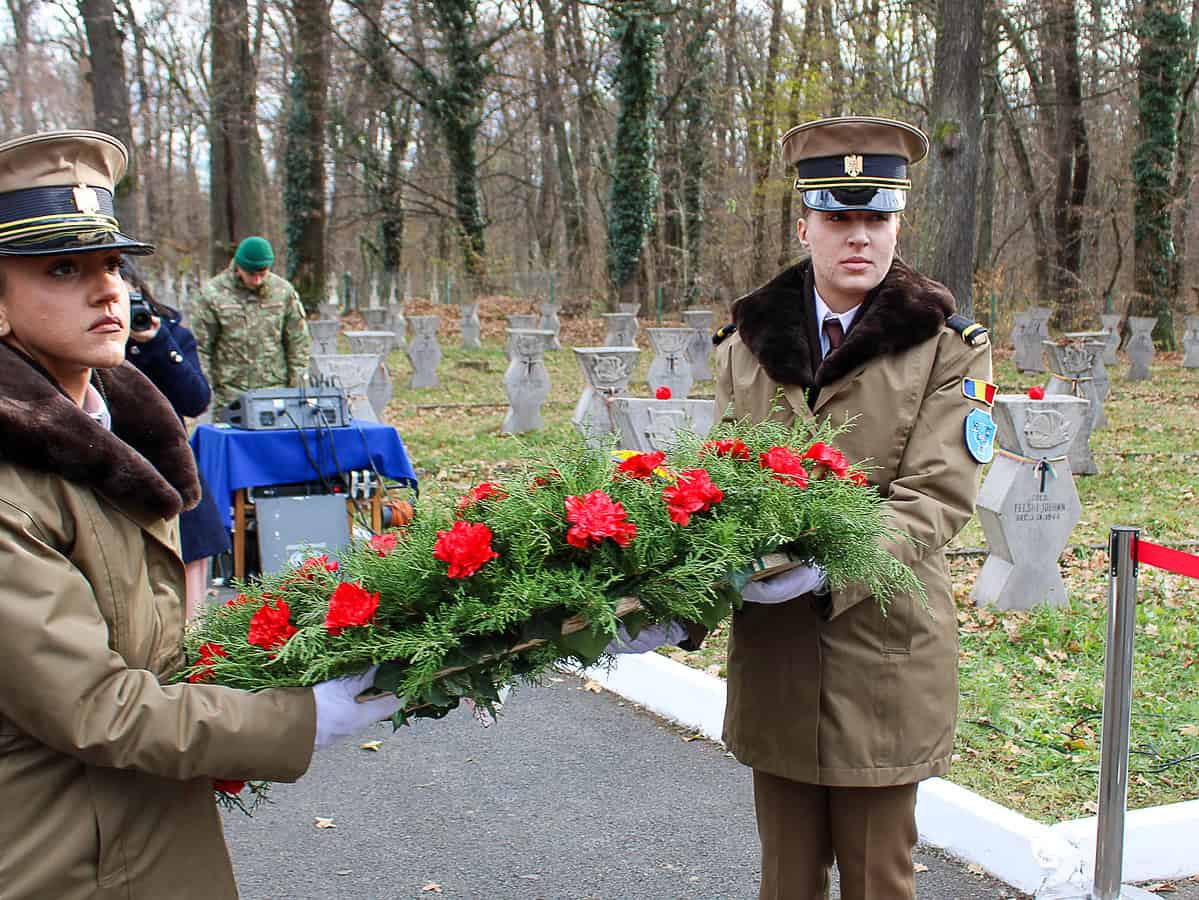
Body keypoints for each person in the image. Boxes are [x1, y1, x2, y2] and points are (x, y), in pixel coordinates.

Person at [0, 129, 400, 900]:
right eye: (62, 269)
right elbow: (94, 705)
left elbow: (160, 651)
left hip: (143, 831)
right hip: (58, 856)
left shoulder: (113, 433)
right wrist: (301, 719)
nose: (107, 290)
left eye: (112, 264)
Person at [712, 116, 994, 899]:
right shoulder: (745, 344)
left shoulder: (947, 344)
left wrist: (828, 567)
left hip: (884, 647)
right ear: (804, 223)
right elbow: (718, 484)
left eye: (875, 216)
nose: (857, 236)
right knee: (786, 878)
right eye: (838, 216)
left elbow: (937, 493)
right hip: (775, 656)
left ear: (897, 223)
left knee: (878, 878)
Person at [122, 257, 231, 620]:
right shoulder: (88, 340)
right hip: (117, 477)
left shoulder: (170, 334)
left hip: (174, 474)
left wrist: (157, 343)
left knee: (189, 612)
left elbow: (195, 399)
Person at [191, 234, 311, 411]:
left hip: (275, 391)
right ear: (238, 267)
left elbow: (297, 341)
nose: (257, 280)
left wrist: (297, 390)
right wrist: (204, 389)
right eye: (251, 274)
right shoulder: (212, 294)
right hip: (230, 393)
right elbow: (201, 346)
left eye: (262, 273)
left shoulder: (283, 291)